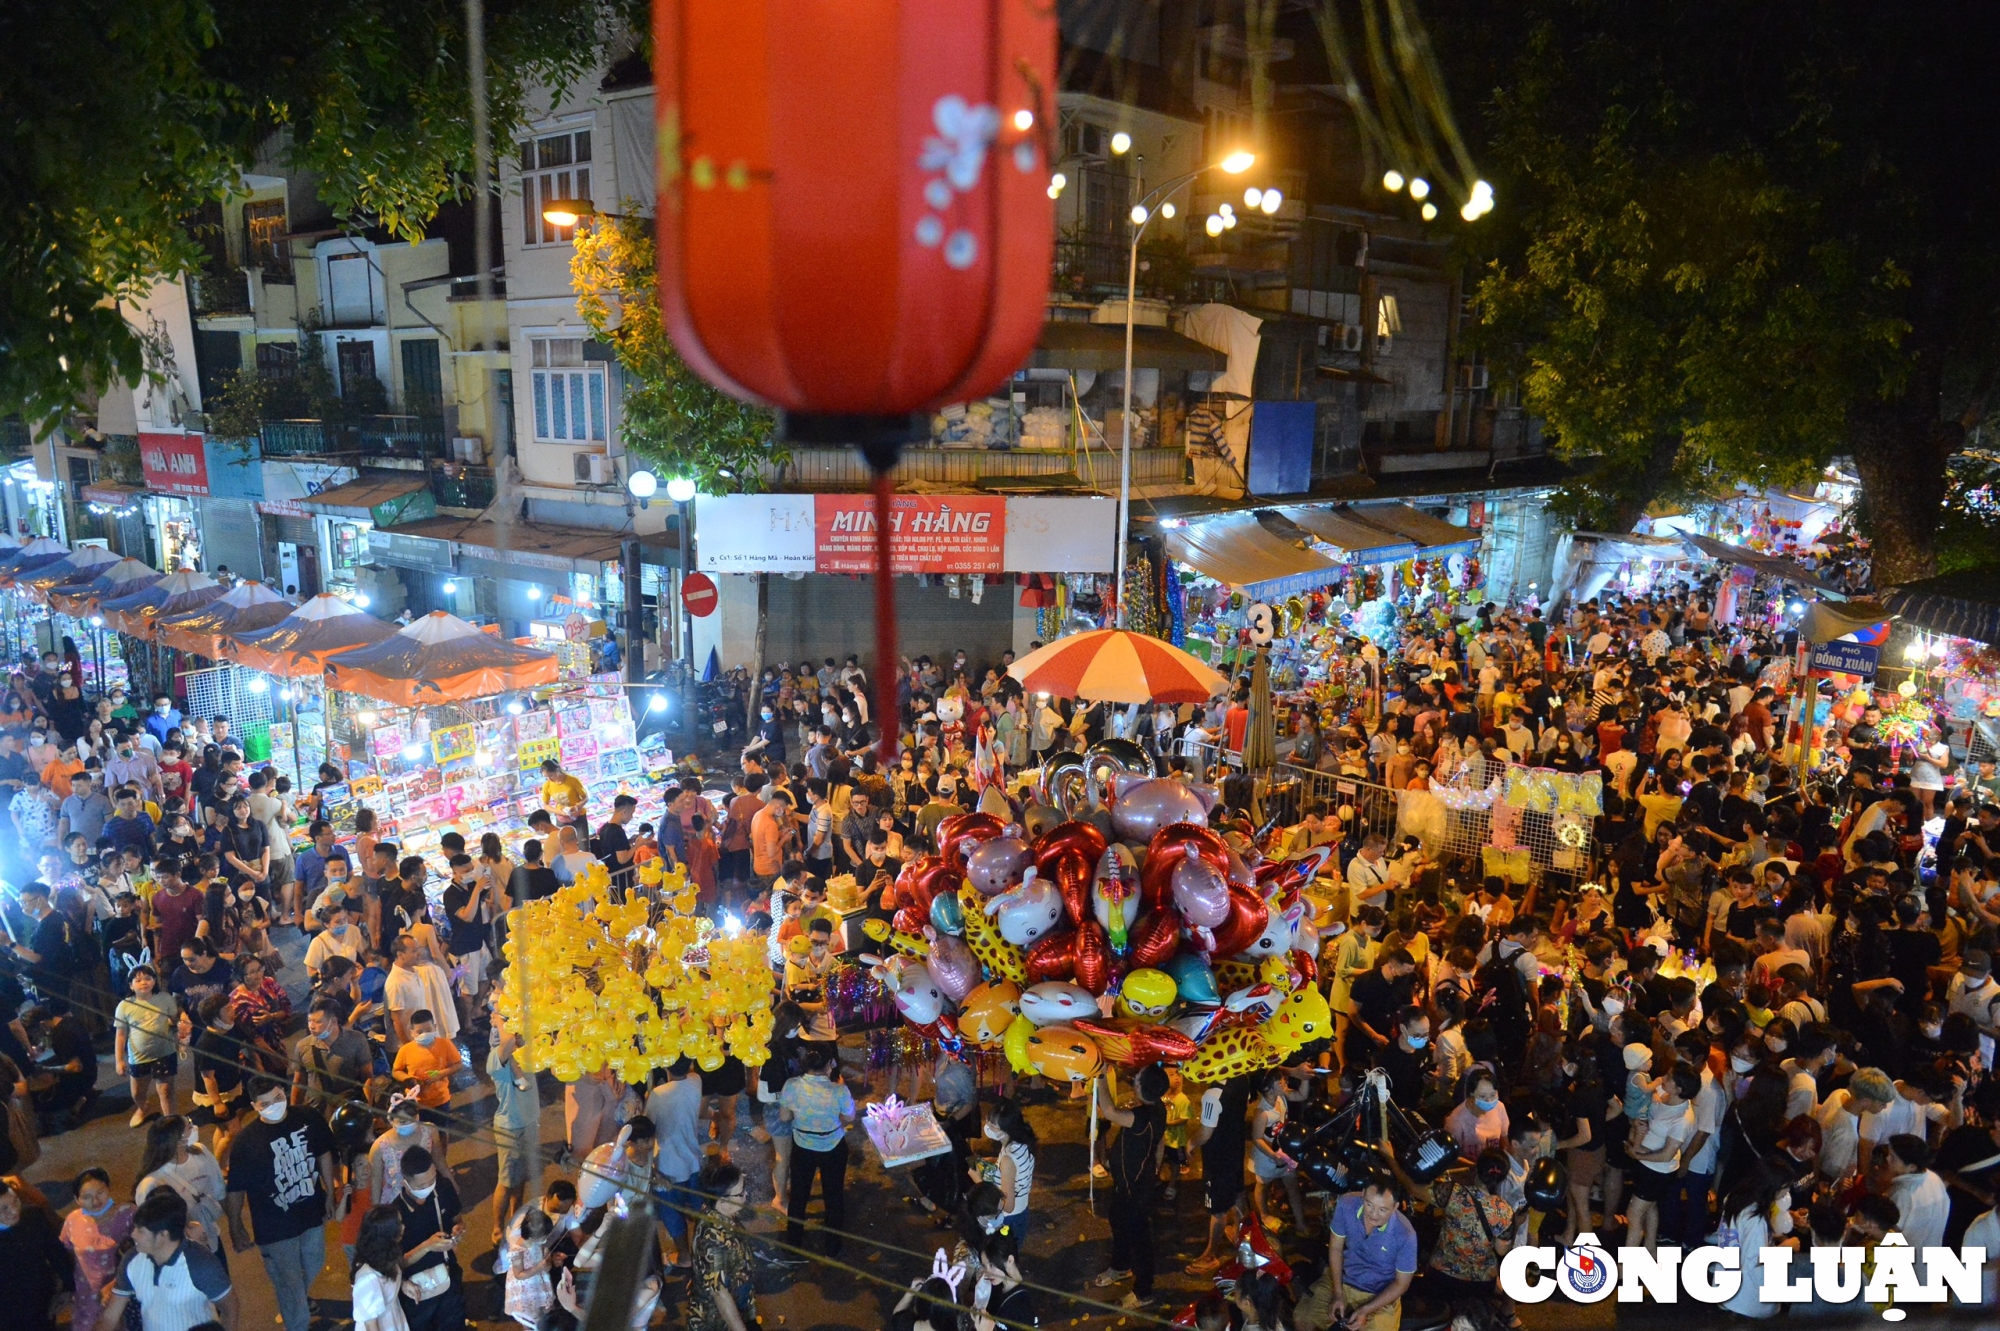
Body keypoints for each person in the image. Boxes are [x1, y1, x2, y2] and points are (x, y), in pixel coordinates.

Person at [224, 1079, 336, 1331]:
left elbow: (323, 1153)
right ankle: (296, 1322)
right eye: (265, 1103)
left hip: (311, 1212)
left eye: (277, 1099)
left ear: (284, 1093)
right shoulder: (245, 1142)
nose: (274, 1106)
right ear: (254, 1106)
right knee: (289, 1281)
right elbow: (236, 1187)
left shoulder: (307, 1117)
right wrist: (235, 1225)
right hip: (274, 1226)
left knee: (314, 1262)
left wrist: (329, 1192)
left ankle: (295, 1300)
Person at [97, 1191, 237, 1331]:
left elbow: (230, 1308)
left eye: (141, 1231)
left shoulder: (200, 1263)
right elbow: (110, 1317)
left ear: (163, 1235)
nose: (133, 1234)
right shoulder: (131, 1259)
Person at [1299, 1170, 1417, 1331]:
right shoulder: (1346, 1204)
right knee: (1302, 1318)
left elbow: (1401, 1284)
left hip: (1378, 1293)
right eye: (1369, 1204)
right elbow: (1335, 1248)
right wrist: (1338, 1293)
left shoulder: (1405, 1235)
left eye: (1382, 1209)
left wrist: (1365, 1310)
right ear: (1362, 1195)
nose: (1373, 1214)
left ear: (1395, 1207)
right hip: (1344, 1279)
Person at [1092, 1064, 1168, 1311]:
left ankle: (1143, 1291)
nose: (1133, 1081)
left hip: (1136, 1190)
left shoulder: (1141, 1117)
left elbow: (1110, 1112)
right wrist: (1155, 1166)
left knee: (1140, 1241)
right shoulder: (1157, 1108)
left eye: (1137, 1080)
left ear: (1141, 1089)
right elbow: (1161, 1141)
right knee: (1117, 1219)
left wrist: (1100, 1076)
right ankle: (1121, 1267)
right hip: (1133, 1184)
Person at [780, 1040, 856, 1255]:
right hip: (833, 1147)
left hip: (803, 1146)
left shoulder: (792, 1085)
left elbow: (785, 1116)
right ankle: (832, 1247)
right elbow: (850, 1117)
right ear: (830, 1063)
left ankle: (793, 1244)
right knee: (834, 1196)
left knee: (798, 1196)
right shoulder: (839, 1090)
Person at [394, 1146, 466, 1331]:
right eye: (421, 1185)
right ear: (405, 1183)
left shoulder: (444, 1188)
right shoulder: (396, 1213)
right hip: (417, 1291)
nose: (429, 1187)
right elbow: (395, 1263)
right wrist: (427, 1246)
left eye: (432, 1180)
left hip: (449, 1277)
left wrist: (458, 1230)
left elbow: (457, 1219)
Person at [136, 1114, 228, 1257]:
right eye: (189, 1127)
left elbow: (220, 1191)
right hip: (180, 1253)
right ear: (177, 1141)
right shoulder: (151, 1184)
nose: (194, 1128)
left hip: (210, 1241)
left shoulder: (201, 1152)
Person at [487, 1016, 543, 1246]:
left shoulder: (524, 1055)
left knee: (519, 1179)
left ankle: (515, 1219)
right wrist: (499, 1018)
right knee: (506, 1180)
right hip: (510, 1126)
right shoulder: (496, 1059)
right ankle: (497, 1227)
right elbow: (508, 1041)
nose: (519, 1037)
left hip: (529, 1123)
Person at [686, 1159, 758, 1331]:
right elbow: (719, 1293)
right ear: (723, 1201)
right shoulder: (713, 1240)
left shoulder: (719, 1212)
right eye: (740, 1193)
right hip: (719, 1321)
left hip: (740, 1303)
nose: (746, 1195)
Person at [62, 1167, 137, 1331]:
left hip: (121, 1292)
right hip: (86, 1296)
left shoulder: (128, 1215)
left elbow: (141, 1251)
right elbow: (67, 1252)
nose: (95, 1201)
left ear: (109, 1189)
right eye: (87, 1197)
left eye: (100, 1193)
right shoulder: (73, 1220)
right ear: (77, 1199)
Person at [116, 962, 181, 1126]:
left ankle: (170, 1121)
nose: (144, 982)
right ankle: (143, 1107)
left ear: (154, 981)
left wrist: (181, 1028)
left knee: (166, 1090)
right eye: (138, 980)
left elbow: (175, 1019)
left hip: (165, 1052)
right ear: (131, 985)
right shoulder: (124, 1006)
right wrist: (119, 1060)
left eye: (148, 978)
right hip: (138, 1057)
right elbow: (121, 1034)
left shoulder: (165, 998)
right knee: (137, 1093)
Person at [291, 997, 371, 1112]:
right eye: (309, 1020)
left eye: (318, 1021)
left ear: (333, 1021)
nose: (311, 1026)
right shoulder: (302, 1046)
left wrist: (369, 1108)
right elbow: (299, 1082)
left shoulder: (356, 1040)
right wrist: (294, 1111)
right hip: (317, 1111)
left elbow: (368, 1076)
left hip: (349, 1109)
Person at [350, 1204, 410, 1331]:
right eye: (398, 1224)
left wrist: (403, 1283)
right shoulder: (367, 1277)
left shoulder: (383, 1254)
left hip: (393, 1318)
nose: (403, 1227)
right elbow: (371, 1326)